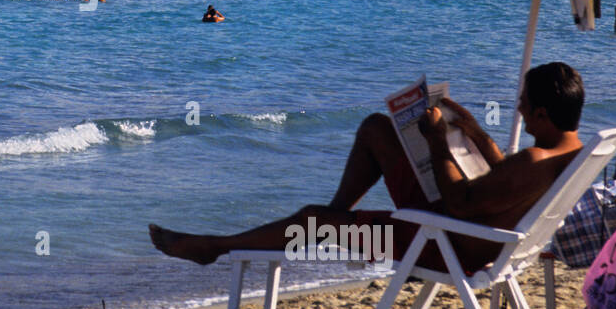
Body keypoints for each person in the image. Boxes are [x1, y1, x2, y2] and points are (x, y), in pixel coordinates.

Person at [150, 63, 586, 275]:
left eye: (526, 105)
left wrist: (438, 142)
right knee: (378, 128)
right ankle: (335, 215)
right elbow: (507, 179)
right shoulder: (568, 152)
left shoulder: (535, 160)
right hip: (473, 234)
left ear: (544, 113)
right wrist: (474, 133)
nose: (519, 110)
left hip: (445, 243)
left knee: (310, 222)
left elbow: (458, 200)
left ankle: (216, 246)